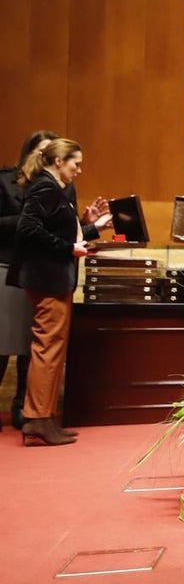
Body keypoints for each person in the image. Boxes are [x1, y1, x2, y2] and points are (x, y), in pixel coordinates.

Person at [1, 131, 108, 433]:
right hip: (48, 279)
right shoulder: (45, 188)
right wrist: (68, 248)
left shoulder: (53, 187)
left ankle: (43, 417)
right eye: (76, 163)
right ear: (59, 161)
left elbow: (58, 231)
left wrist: (91, 229)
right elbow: (28, 229)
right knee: (47, 349)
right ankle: (37, 419)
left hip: (54, 278)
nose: (79, 169)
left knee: (51, 348)